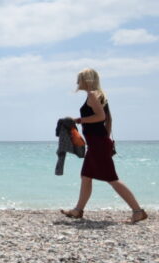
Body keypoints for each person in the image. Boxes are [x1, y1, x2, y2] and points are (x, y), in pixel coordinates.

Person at [59, 69, 147, 223]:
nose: (76, 83)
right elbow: (107, 120)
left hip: (98, 144)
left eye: (79, 79)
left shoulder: (93, 95)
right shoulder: (98, 95)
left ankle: (138, 211)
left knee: (112, 179)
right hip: (98, 143)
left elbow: (101, 117)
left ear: (86, 79)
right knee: (86, 176)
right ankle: (77, 210)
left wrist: (80, 120)